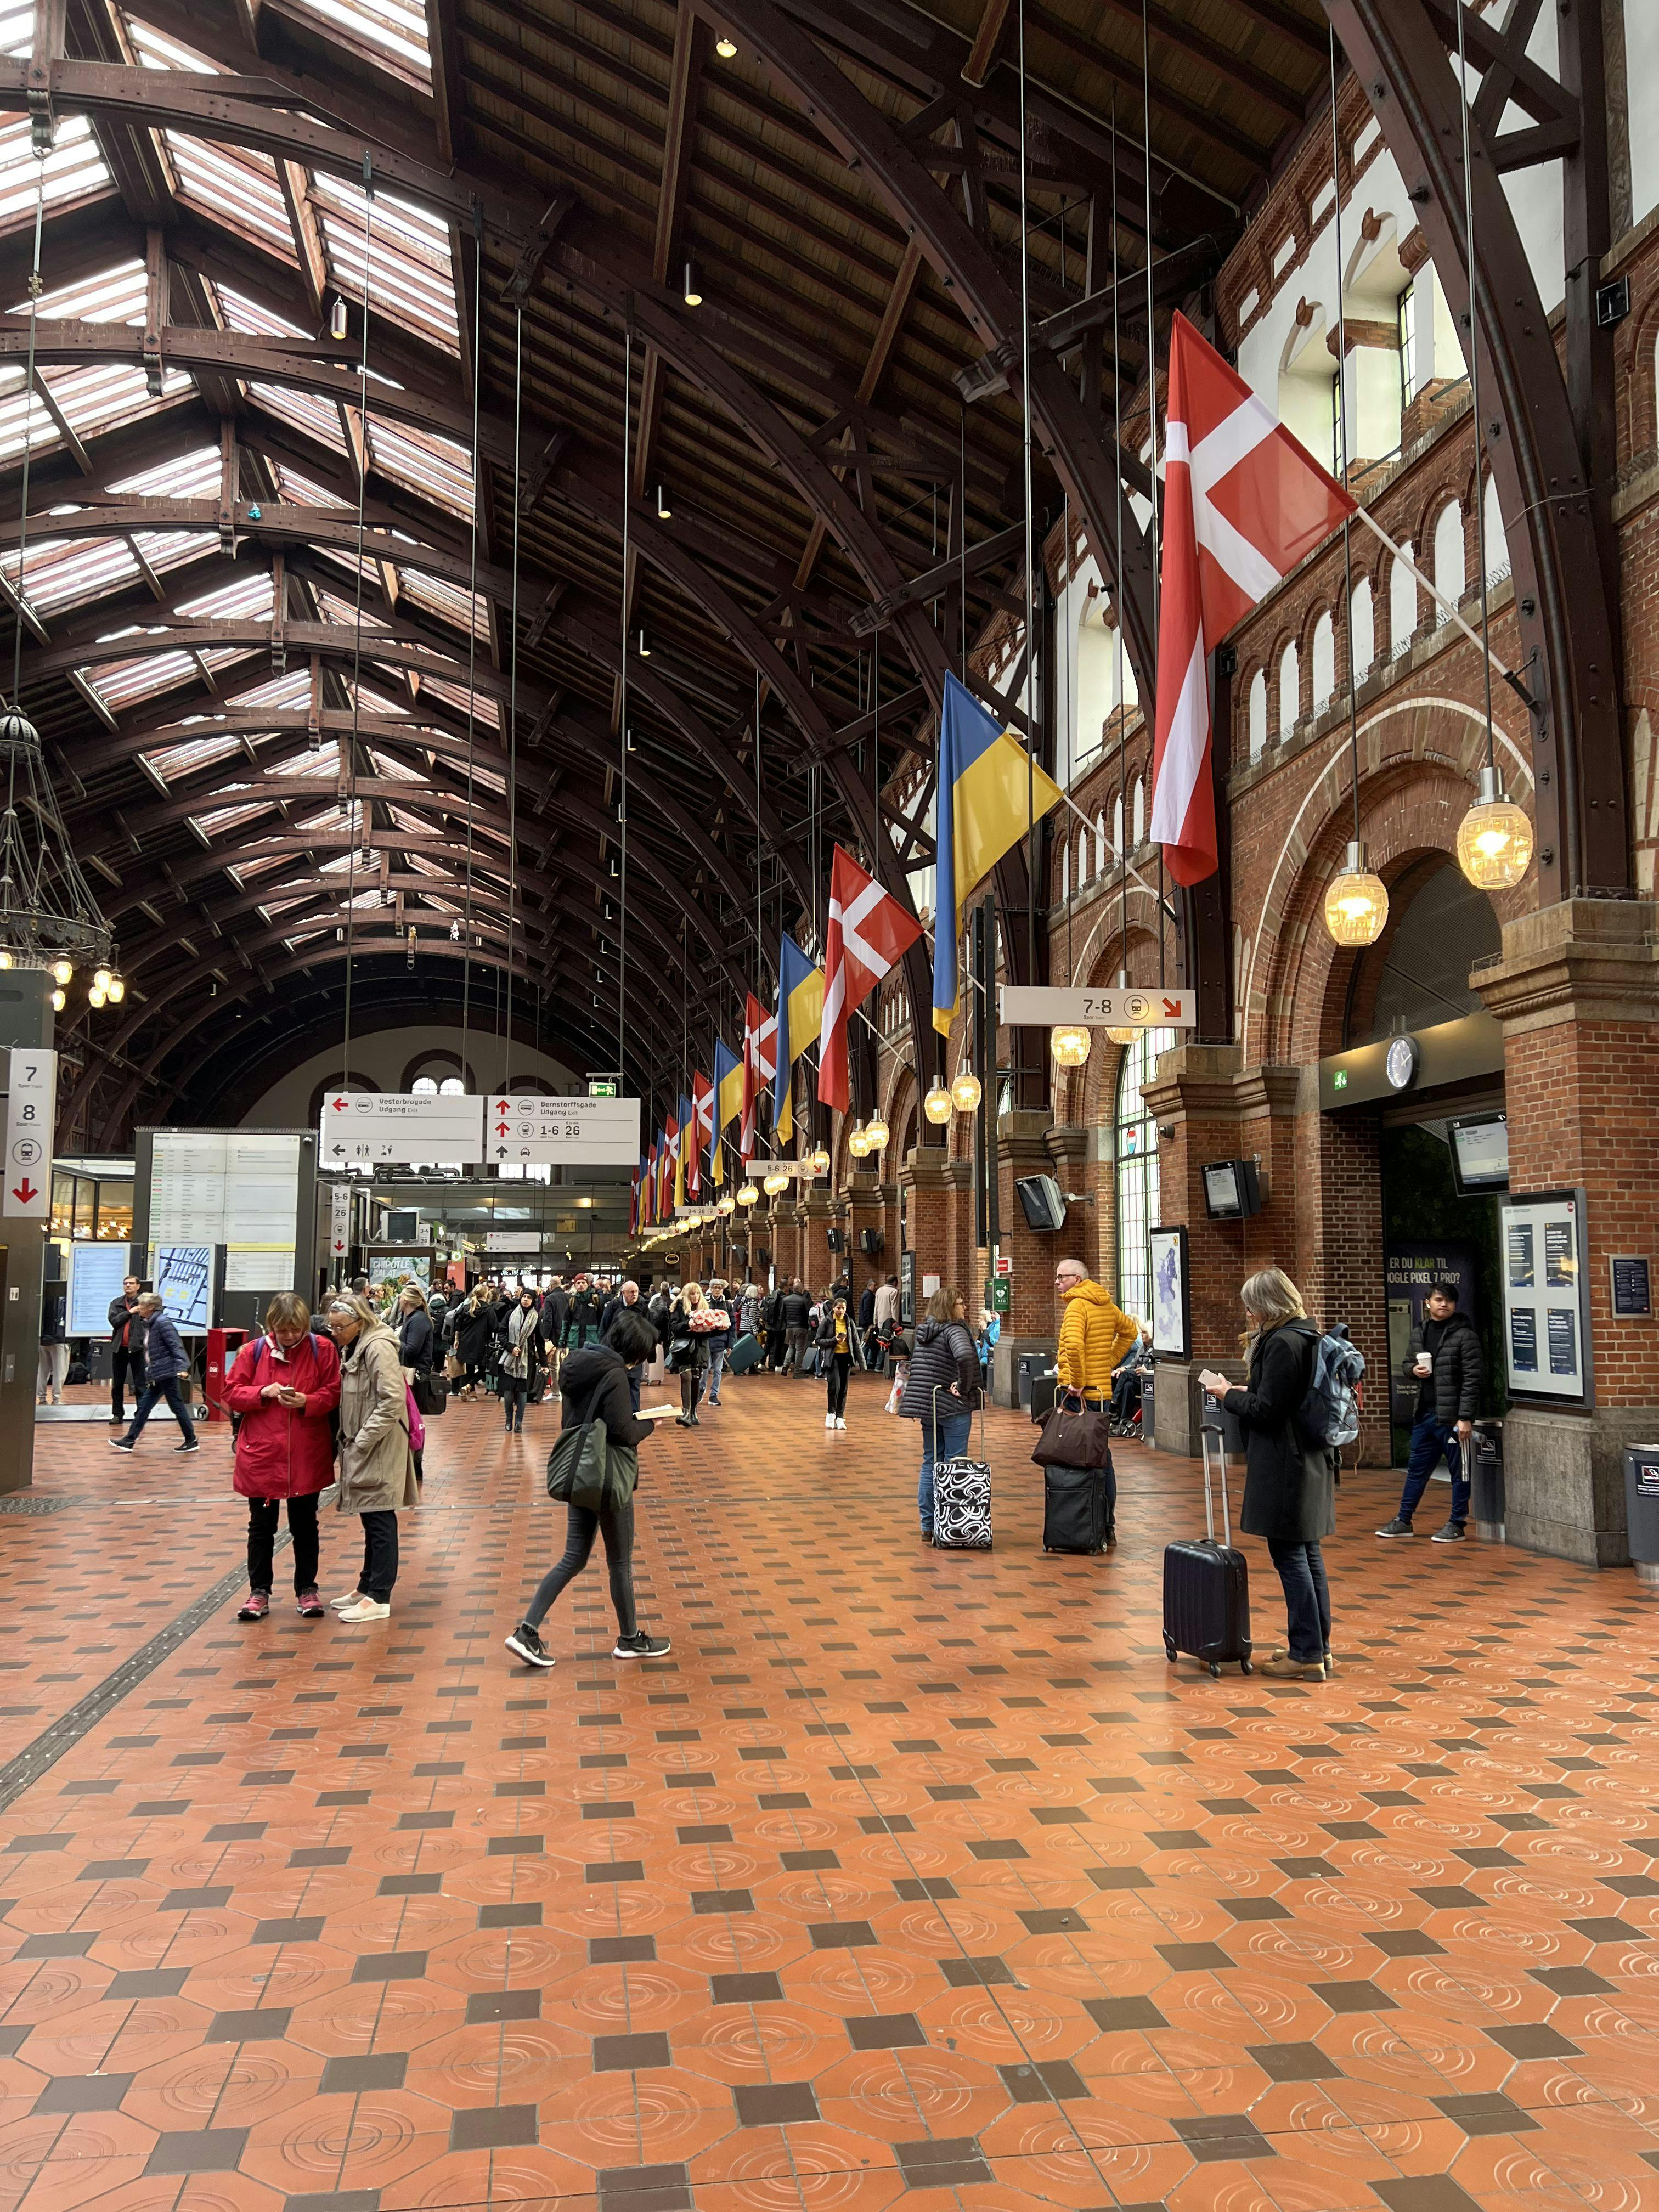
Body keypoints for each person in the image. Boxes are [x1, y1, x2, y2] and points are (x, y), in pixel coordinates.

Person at [505, 1308, 670, 1668]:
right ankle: (630, 1639)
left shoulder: (579, 1364)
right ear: (632, 1350)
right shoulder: (615, 1376)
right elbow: (624, 1432)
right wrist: (653, 1423)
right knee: (620, 1562)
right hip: (608, 1478)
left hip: (582, 1472)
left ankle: (527, 1631)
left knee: (574, 1556)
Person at [1199, 1267, 1334, 1683]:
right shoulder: (1311, 1336)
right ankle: (1317, 1647)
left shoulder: (1281, 1343)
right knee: (1308, 1554)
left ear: (1268, 1304)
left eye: (1252, 1304)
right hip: (1310, 1459)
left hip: (1285, 1463)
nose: (1248, 1311)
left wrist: (1227, 1396)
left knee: (1291, 1557)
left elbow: (1268, 1410)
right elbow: (1285, 1399)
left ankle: (1307, 1654)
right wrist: (1244, 1392)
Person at [227, 1294, 341, 1622]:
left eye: (296, 1330)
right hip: (263, 1454)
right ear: (271, 1326)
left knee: (306, 1525)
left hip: (306, 1452)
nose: (290, 1336)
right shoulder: (254, 1351)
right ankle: (258, 1592)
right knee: (261, 1527)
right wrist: (262, 1393)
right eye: (283, 1330)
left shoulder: (324, 1349)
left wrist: (308, 1400)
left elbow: (333, 1393)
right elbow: (231, 1391)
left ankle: (307, 1589)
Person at [324, 1293, 416, 1621]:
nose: (334, 1332)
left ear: (359, 1322)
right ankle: (367, 1586)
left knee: (379, 1517)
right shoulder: (357, 1345)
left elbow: (391, 1401)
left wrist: (362, 1441)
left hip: (377, 1446)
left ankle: (379, 1596)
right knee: (370, 1515)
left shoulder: (377, 1347)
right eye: (331, 1326)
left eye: (340, 1327)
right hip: (365, 1445)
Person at [1377, 1281, 1485, 1543]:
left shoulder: (1464, 1335)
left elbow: (1473, 1378)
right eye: (1438, 1300)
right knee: (1417, 1469)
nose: (1443, 1304)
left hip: (1452, 1418)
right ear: (1428, 1303)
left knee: (1459, 1472)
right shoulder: (1420, 1332)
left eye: (1448, 1300)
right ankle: (1404, 1520)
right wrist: (1413, 1371)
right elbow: (1406, 1364)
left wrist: (1466, 1417)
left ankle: (1457, 1524)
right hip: (1424, 1414)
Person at [899, 1285, 980, 1539]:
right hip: (953, 1408)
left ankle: (928, 1525)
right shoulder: (954, 1330)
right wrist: (964, 1388)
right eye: (960, 1303)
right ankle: (951, 1523)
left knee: (931, 1461)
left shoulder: (926, 1332)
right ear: (949, 1307)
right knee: (955, 1464)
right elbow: (966, 1357)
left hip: (929, 1407)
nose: (964, 1307)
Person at [109, 1294, 198, 1453]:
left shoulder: (162, 1323)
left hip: (167, 1372)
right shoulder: (150, 1322)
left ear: (151, 1307)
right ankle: (129, 1441)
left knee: (175, 1407)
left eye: (142, 1306)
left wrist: (182, 1368)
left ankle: (191, 1440)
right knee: (145, 1407)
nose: (139, 1308)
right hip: (159, 1372)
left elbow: (176, 1346)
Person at [1054, 1259, 1138, 1404]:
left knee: (1071, 1427)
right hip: (1102, 1392)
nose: (1057, 1282)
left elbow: (1074, 1345)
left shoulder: (1077, 1306)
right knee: (1098, 1427)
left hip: (1078, 1393)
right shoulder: (1108, 1306)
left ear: (1077, 1279)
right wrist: (1107, 1362)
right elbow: (1130, 1331)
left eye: (1061, 1277)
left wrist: (1077, 1383)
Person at [669, 1282, 726, 1424]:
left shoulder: (705, 1308)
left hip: (700, 1349)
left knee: (696, 1380)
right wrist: (687, 1324)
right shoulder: (679, 1307)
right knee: (686, 1378)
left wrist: (720, 1329)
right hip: (684, 1349)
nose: (695, 1296)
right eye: (692, 1294)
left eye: (698, 1293)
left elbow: (709, 1333)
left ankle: (694, 1412)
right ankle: (686, 1412)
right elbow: (674, 1327)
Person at [500, 1287, 546, 1435]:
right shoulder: (510, 1314)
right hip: (510, 1358)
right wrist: (510, 1347)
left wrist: (544, 1363)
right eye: (524, 1297)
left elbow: (539, 1341)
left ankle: (519, 1422)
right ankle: (508, 1419)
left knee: (522, 1392)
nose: (526, 1300)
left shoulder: (535, 1318)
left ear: (533, 1301)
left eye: (529, 1298)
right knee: (507, 1394)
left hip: (527, 1359)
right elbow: (502, 1332)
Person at [815, 1293, 860, 1429]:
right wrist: (834, 1340)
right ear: (833, 1308)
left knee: (844, 1389)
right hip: (832, 1357)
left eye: (843, 1308)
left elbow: (856, 1342)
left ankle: (840, 1416)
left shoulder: (849, 1322)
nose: (841, 1311)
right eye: (838, 1308)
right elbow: (818, 1340)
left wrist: (861, 1362)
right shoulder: (827, 1322)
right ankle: (831, 1413)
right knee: (835, 1386)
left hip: (846, 1357)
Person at [108, 1274, 147, 1427]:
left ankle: (141, 1414)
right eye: (126, 1284)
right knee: (117, 1384)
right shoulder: (116, 1303)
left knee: (140, 1384)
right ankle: (117, 1414)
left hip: (137, 1349)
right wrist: (130, 1312)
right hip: (119, 1349)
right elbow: (114, 1321)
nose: (128, 1286)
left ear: (138, 1286)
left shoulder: (145, 1303)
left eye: (131, 1283)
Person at [1110, 1324, 1153, 1435]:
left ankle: (1113, 1403)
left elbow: (1155, 1365)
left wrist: (1146, 1370)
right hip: (1135, 1378)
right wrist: (1124, 1368)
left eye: (1145, 1333)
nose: (1142, 1335)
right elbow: (1133, 1364)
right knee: (1127, 1385)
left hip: (1148, 1380)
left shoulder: (1155, 1349)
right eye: (1142, 1333)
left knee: (1125, 1375)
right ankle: (1124, 1422)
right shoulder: (1141, 1348)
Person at [454, 1285, 496, 1397]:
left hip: (465, 1341)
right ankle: (469, 1386)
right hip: (481, 1343)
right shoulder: (488, 1309)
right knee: (483, 1369)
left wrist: (456, 1340)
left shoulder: (466, 1307)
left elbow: (458, 1325)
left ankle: (469, 1391)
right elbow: (495, 1327)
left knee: (469, 1367)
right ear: (486, 1294)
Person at [37, 1282, 69, 1407]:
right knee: (60, 1370)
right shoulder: (65, 1301)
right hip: (60, 1340)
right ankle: (56, 1399)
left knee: (42, 1370)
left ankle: (42, 1399)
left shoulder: (43, 1299)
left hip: (43, 1339)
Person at [704, 1281, 732, 1405]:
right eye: (715, 1287)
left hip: (721, 1342)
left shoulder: (727, 1305)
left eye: (720, 1288)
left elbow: (732, 1326)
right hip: (706, 1341)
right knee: (704, 1369)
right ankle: (701, 1388)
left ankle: (714, 1394)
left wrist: (730, 1345)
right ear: (711, 1289)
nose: (717, 1290)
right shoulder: (705, 1302)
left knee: (718, 1370)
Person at [781, 1278, 811, 1374]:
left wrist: (787, 1323)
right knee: (800, 1349)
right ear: (801, 1290)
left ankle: (786, 1365)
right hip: (801, 1327)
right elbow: (807, 1315)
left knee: (791, 1346)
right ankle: (797, 1369)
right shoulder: (804, 1300)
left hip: (789, 1327)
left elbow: (782, 1314)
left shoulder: (786, 1300)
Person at [568, 1279, 600, 1352]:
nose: (581, 1285)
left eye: (583, 1283)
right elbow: (566, 1321)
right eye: (578, 1283)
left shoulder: (595, 1299)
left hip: (592, 1342)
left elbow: (602, 1320)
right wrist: (563, 1342)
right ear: (575, 1286)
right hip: (575, 1342)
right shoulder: (572, 1301)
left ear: (588, 1284)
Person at [975, 1305, 1002, 1392]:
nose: (992, 1316)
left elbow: (992, 1342)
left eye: (994, 1314)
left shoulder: (998, 1326)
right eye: (992, 1314)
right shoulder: (993, 1324)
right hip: (984, 1355)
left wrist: (985, 1329)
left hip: (990, 1357)